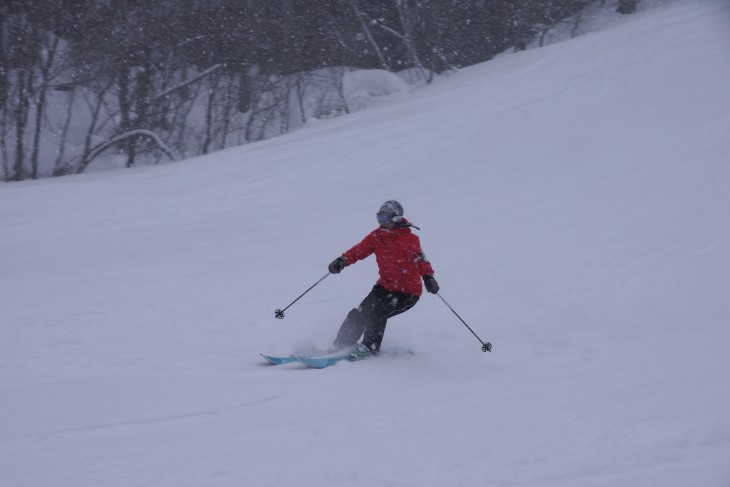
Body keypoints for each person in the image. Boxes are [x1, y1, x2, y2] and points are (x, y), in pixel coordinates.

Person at [327, 200, 439, 360]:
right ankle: (341, 345)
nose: (381, 223)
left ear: (396, 219)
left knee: (376, 314)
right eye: (379, 218)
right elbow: (358, 250)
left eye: (385, 219)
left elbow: (421, 261)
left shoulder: (410, 240)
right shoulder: (377, 236)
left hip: (407, 293)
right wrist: (342, 260)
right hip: (384, 287)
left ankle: (369, 347)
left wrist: (429, 277)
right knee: (358, 313)